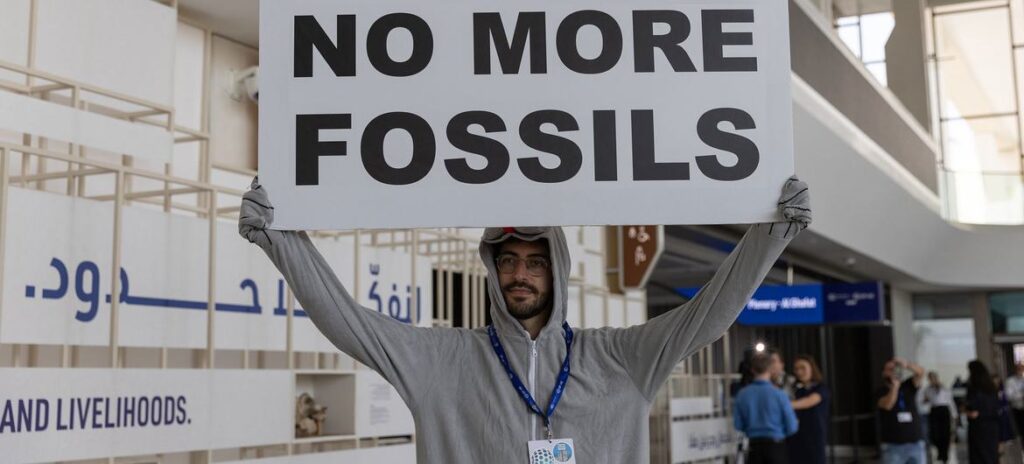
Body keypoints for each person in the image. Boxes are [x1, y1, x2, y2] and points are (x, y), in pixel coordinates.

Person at [237, 177, 811, 462]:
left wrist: (771, 235)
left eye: (535, 263)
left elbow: (706, 316)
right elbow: (349, 322)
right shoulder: (444, 360)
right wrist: (280, 241)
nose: (520, 274)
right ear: (492, 270)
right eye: (508, 261)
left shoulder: (619, 357)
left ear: (556, 271)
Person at [734, 352, 799, 464]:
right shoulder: (779, 395)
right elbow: (792, 426)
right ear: (770, 369)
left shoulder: (742, 394)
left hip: (754, 447)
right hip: (776, 446)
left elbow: (738, 425)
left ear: (752, 369)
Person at [876, 357, 926, 464]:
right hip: (893, 446)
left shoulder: (907, 386)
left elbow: (921, 372)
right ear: (884, 373)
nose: (893, 371)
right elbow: (888, 405)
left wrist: (906, 364)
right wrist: (895, 387)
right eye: (890, 369)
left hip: (915, 443)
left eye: (895, 368)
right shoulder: (880, 392)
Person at [786, 354, 830, 464]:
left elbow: (809, 401)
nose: (799, 372)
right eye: (796, 369)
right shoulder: (796, 389)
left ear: (812, 368)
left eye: (803, 368)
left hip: (814, 436)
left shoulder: (820, 388)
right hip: (795, 436)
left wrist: (783, 404)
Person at [963, 360, 999, 464]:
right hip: (992, 427)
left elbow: (973, 411)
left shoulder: (973, 388)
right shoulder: (991, 387)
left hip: (978, 428)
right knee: (991, 456)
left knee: (979, 457)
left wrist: (965, 410)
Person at [921, 371, 955, 463]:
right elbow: (924, 401)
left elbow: (950, 401)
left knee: (945, 433)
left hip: (944, 410)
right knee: (935, 434)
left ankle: (944, 455)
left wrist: (954, 414)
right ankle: (940, 452)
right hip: (934, 410)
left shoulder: (944, 388)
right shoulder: (928, 389)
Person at [1004, 362, 1024, 438]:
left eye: (1022, 369)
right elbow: (1009, 396)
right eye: (1018, 369)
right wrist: (1021, 396)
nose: (1020, 371)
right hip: (1018, 408)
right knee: (1021, 429)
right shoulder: (1010, 381)